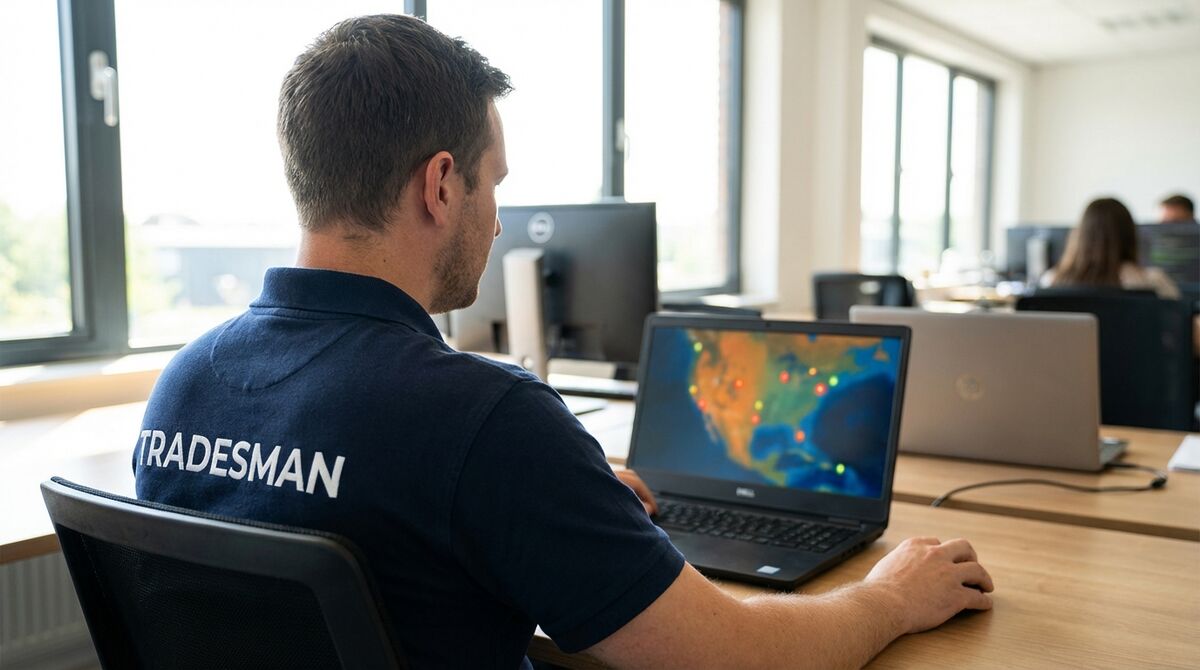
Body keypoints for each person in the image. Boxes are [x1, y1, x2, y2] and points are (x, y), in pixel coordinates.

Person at [133, 14, 993, 668]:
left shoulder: (184, 382)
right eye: (493, 183)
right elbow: (724, 652)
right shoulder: (486, 418)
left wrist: (553, 493)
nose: (500, 216)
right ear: (440, 184)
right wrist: (889, 599)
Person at [1042, 197, 1180, 298]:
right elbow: (1182, 330)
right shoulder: (1154, 282)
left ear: (1080, 236)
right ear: (1130, 235)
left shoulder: (1050, 281)